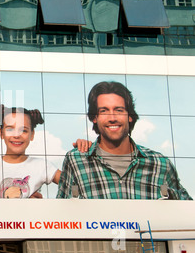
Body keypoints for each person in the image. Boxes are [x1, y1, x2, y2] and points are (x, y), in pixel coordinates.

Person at [57, 81, 192, 200]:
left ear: (130, 116)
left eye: (119, 110)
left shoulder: (160, 164)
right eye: (104, 111)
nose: (112, 118)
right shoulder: (76, 160)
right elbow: (61, 217)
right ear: (95, 118)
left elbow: (187, 214)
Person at [0, 105, 60, 198]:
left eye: (23, 130)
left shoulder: (42, 166)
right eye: (10, 129)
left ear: (32, 134)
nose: (16, 135)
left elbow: (74, 183)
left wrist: (80, 150)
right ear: (1, 133)